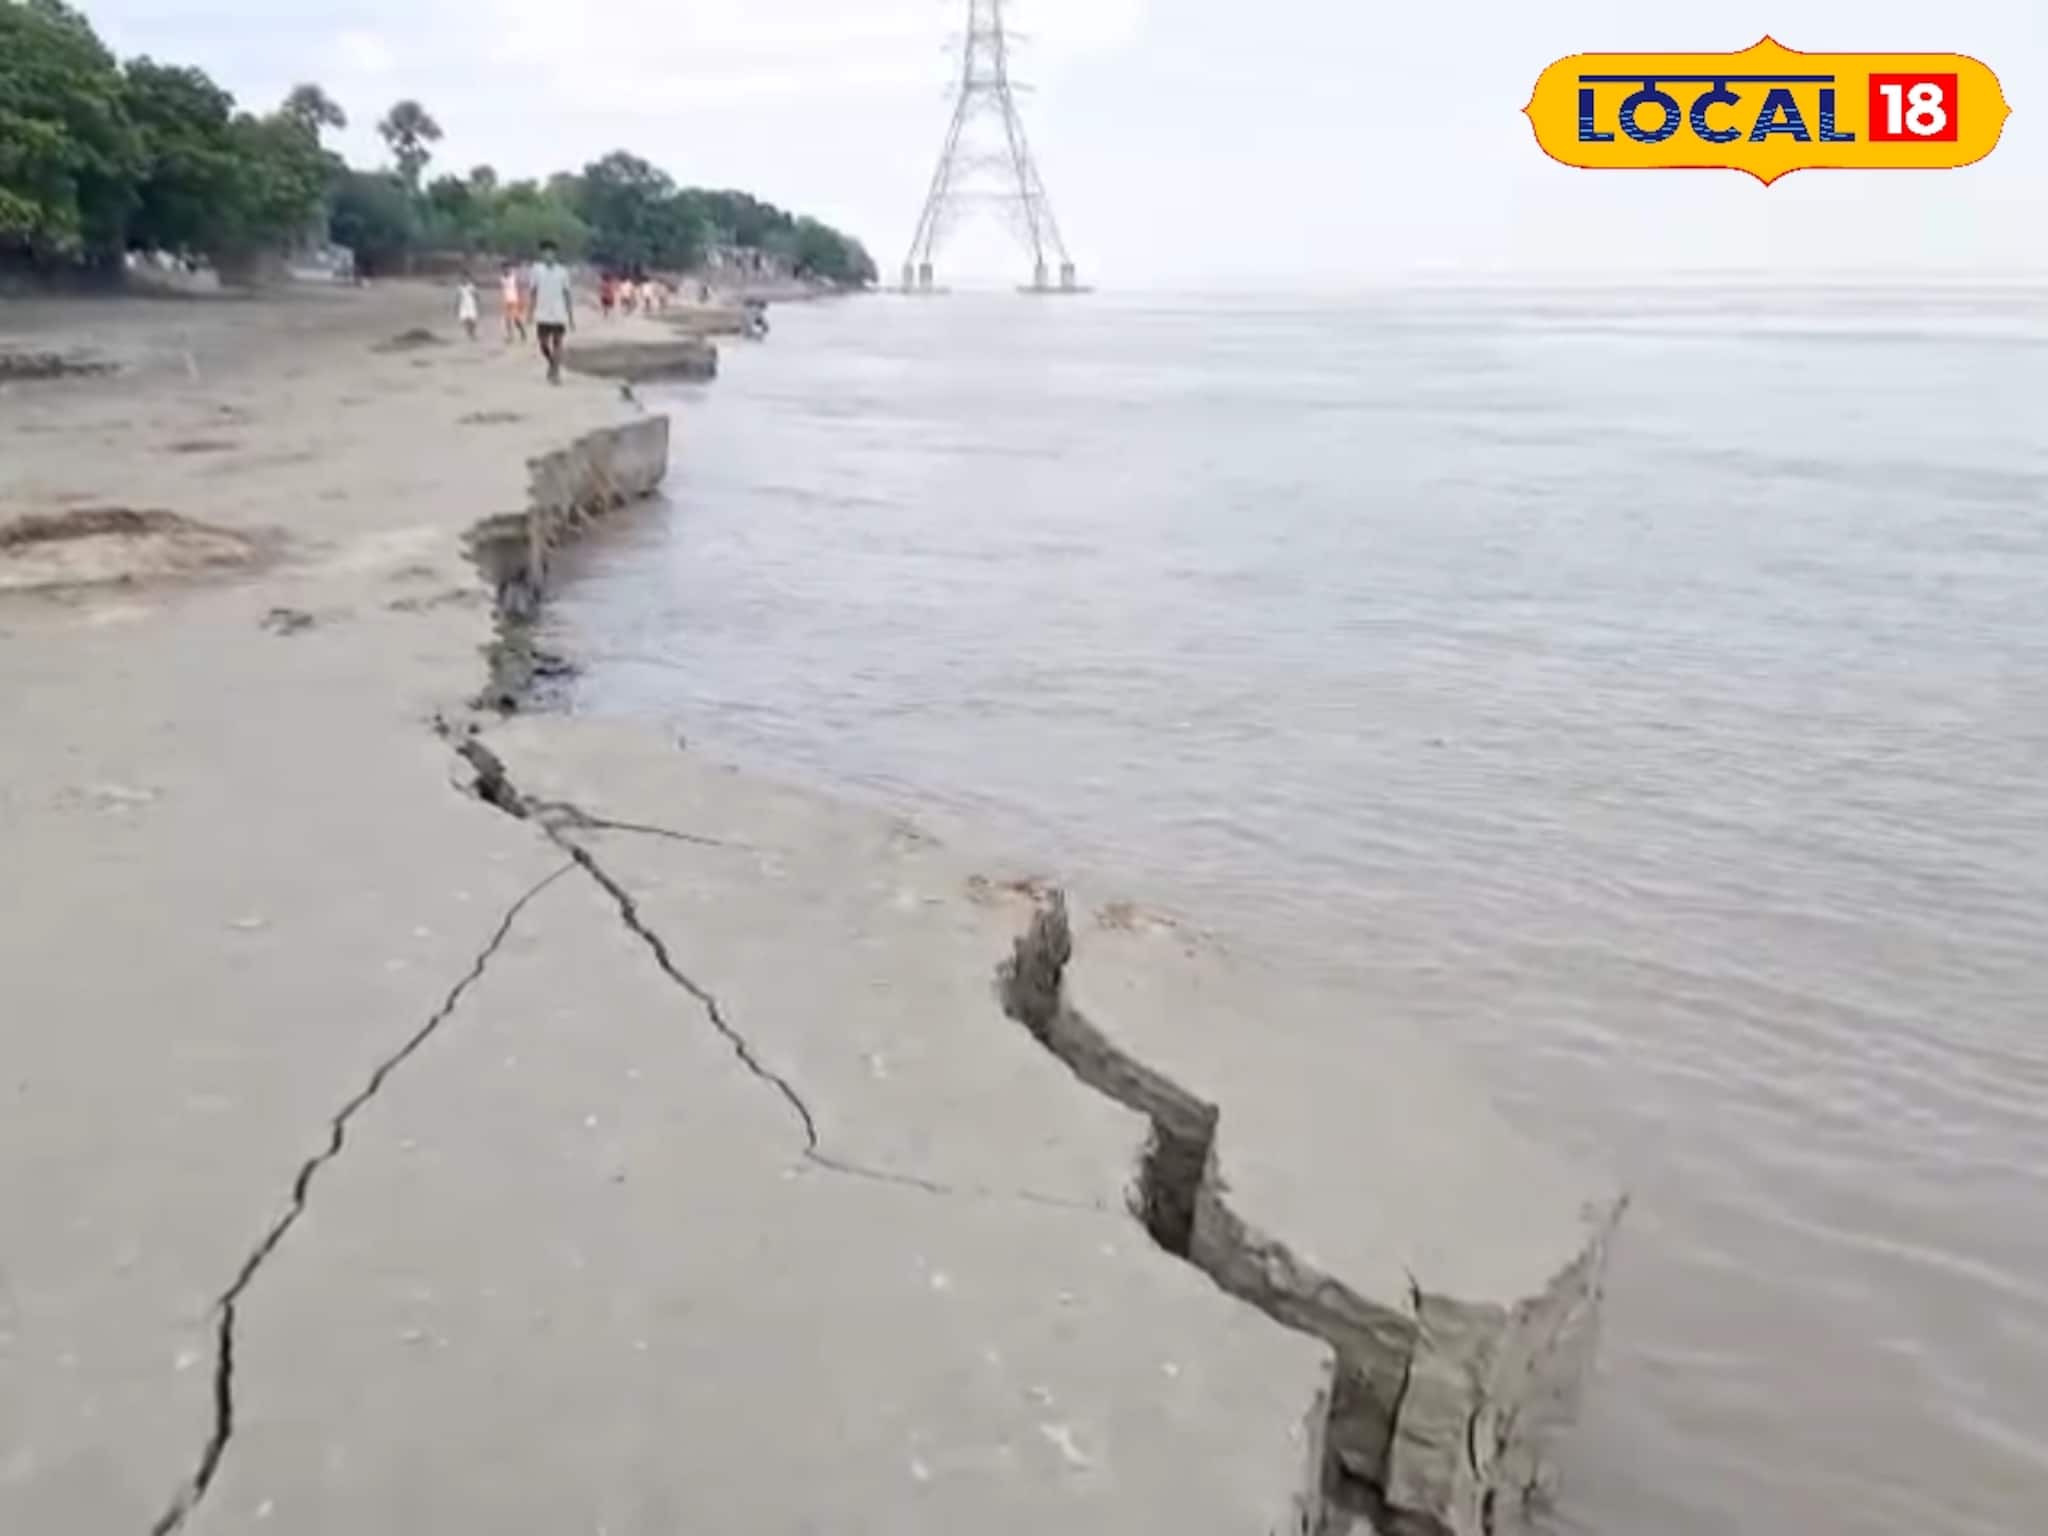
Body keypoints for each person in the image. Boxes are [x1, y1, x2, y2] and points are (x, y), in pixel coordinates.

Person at [528, 240, 575, 384]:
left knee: (558, 343)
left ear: (555, 254)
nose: (548, 255)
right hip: (542, 313)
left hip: (559, 313)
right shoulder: (536, 270)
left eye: (551, 252)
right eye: (545, 252)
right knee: (543, 344)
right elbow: (533, 292)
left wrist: (570, 316)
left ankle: (555, 372)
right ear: (542, 254)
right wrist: (530, 312)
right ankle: (552, 363)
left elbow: (567, 294)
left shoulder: (562, 272)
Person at [499, 262, 526, 343]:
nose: (505, 270)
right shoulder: (502, 279)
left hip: (515, 300)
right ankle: (510, 336)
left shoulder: (514, 278)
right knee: (507, 320)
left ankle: (522, 332)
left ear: (509, 269)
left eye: (507, 268)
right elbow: (503, 290)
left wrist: (521, 301)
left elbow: (519, 289)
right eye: (503, 269)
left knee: (516, 319)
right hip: (506, 301)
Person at [456, 276, 480, 341]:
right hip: (463, 305)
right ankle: (470, 332)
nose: (463, 280)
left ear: (467, 279)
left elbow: (476, 295)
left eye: (465, 278)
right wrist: (456, 305)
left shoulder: (471, 286)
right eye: (462, 278)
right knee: (464, 320)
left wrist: (478, 302)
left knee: (473, 320)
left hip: (471, 304)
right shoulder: (460, 287)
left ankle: (472, 332)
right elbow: (458, 296)